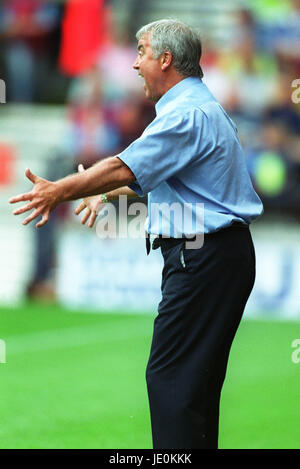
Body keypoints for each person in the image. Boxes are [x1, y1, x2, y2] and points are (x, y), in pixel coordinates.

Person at [9, 19, 263, 449]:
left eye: (141, 53)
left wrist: (59, 191)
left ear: (165, 59)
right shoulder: (200, 108)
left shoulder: (185, 114)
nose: (134, 64)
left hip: (202, 259)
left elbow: (125, 166)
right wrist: (103, 195)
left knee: (173, 382)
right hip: (220, 256)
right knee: (194, 388)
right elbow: (149, 176)